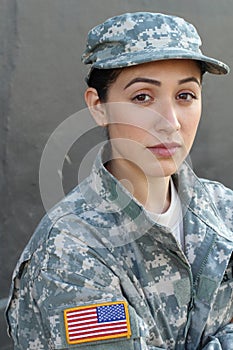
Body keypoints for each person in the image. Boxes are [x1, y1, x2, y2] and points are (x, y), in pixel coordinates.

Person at [6, 11, 233, 350]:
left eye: (185, 96)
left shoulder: (226, 211)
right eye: (143, 97)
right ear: (99, 107)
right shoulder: (72, 250)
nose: (169, 122)